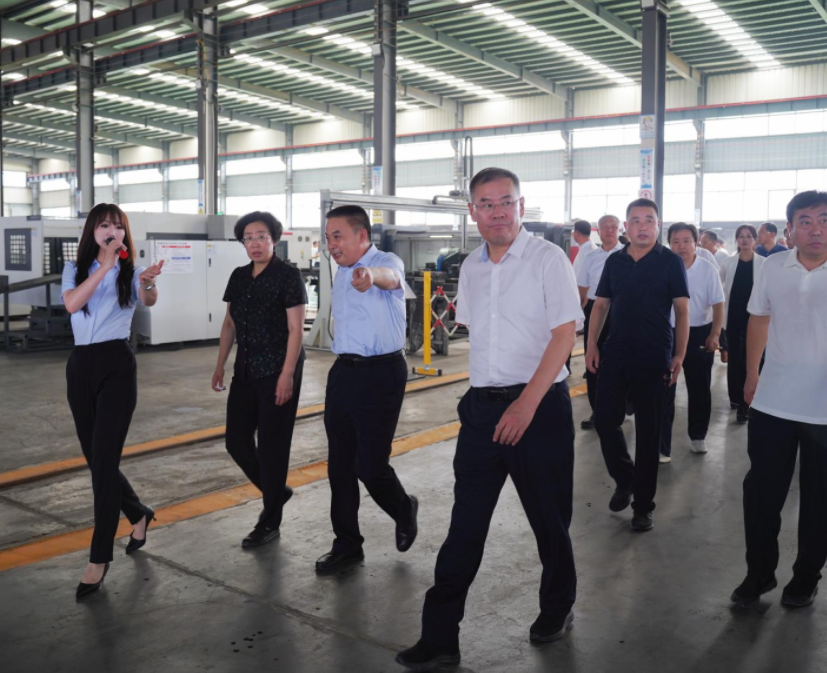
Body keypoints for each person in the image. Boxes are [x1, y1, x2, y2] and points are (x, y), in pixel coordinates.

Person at [397, 167, 583, 672]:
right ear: (473, 211)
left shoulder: (548, 260)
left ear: (522, 206)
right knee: (465, 524)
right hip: (482, 411)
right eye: (486, 203)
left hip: (539, 408)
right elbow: (481, 335)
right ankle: (440, 637)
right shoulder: (474, 267)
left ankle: (557, 605)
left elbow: (564, 337)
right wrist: (488, 401)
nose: (497, 212)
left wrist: (526, 403)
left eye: (506, 202)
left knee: (549, 520)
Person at [61, 203, 164, 599]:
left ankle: (98, 558)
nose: (113, 232)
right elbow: (72, 304)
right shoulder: (76, 268)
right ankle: (138, 513)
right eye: (105, 226)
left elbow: (148, 298)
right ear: (93, 231)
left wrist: (150, 282)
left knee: (103, 465)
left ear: (125, 234)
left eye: (118, 227)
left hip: (116, 366)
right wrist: (103, 264)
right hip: (80, 367)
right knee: (97, 460)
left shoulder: (132, 271)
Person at [730, 190, 827, 609]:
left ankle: (806, 576)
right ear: (790, 228)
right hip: (774, 400)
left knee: (821, 497)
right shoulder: (772, 266)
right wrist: (752, 373)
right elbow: (760, 317)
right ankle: (760, 573)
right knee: (762, 492)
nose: (816, 229)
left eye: (824, 219)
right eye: (805, 220)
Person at [315, 205, 417, 573]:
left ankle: (403, 508)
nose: (331, 244)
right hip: (343, 373)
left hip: (381, 373)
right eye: (327, 238)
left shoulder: (385, 261)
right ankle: (347, 544)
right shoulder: (340, 272)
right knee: (340, 466)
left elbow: (390, 277)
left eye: (337, 236)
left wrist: (370, 275)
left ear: (362, 235)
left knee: (370, 466)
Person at [586, 198, 689, 532]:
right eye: (636, 220)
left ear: (658, 225)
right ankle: (625, 478)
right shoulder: (615, 262)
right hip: (615, 352)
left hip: (654, 355)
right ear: (626, 227)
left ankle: (643, 507)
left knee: (648, 432)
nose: (642, 226)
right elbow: (600, 306)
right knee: (604, 421)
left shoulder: (670, 262)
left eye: (649, 220)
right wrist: (590, 345)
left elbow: (683, 312)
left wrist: (679, 355)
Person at [212, 212, 307, 549]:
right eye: (248, 237)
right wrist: (220, 365)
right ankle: (276, 491)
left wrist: (287, 375)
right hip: (247, 370)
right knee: (236, 442)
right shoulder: (238, 276)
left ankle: (270, 521)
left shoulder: (287, 276)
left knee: (272, 447)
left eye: (261, 236)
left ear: (275, 240)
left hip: (278, 370)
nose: (254, 243)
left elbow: (296, 329)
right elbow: (229, 324)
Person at [660, 223, 725, 463]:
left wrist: (715, 334)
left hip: (699, 333)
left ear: (695, 243)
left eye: (686, 241)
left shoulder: (707, 269)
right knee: (665, 387)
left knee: (699, 387)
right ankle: (662, 445)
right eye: (675, 241)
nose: (681, 246)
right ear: (669, 243)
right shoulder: (662, 267)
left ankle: (698, 435)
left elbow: (719, 304)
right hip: (667, 334)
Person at [576, 214, 623, 430]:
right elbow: (583, 289)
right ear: (598, 230)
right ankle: (597, 409)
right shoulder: (590, 257)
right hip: (595, 310)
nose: (610, 230)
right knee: (593, 359)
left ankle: (621, 405)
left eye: (614, 227)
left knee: (619, 362)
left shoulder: (627, 255)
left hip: (620, 311)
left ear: (620, 229)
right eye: (605, 227)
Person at [718, 224, 764, 423]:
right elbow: (719, 289)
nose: (745, 240)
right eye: (741, 236)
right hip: (733, 316)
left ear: (755, 240)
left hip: (756, 318)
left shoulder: (763, 263)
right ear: (736, 240)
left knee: (752, 359)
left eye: (749, 236)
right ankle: (736, 398)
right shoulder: (728, 263)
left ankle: (750, 399)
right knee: (735, 358)